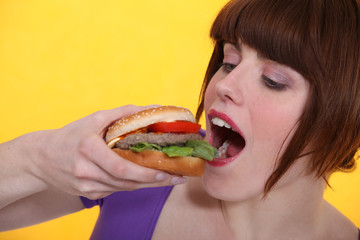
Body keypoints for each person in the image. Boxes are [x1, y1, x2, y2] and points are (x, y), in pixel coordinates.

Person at [1, 0, 360, 239]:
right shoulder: (144, 175)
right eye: (229, 61)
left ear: (344, 120)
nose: (225, 84)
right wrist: (36, 157)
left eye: (273, 81)